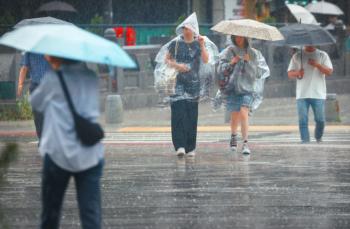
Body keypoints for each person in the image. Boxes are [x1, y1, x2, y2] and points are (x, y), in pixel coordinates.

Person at [30, 56, 104, 229]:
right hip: (90, 155)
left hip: (58, 154)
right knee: (90, 215)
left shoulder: (52, 79)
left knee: (51, 213)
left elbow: (36, 103)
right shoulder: (91, 77)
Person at [155, 13, 213, 157]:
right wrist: (177, 66)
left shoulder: (199, 43)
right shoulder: (175, 43)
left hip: (193, 85)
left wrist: (202, 45)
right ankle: (179, 146)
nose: (186, 31)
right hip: (177, 83)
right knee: (178, 115)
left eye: (189, 28)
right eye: (184, 28)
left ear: (194, 30)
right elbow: (166, 60)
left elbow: (206, 60)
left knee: (191, 116)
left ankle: (190, 147)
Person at [218, 35, 269, 154]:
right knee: (235, 114)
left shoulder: (254, 53)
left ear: (246, 38)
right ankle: (234, 136)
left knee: (243, 112)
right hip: (232, 88)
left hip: (248, 89)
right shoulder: (228, 52)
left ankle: (245, 143)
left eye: (241, 37)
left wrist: (249, 62)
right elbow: (221, 70)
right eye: (236, 37)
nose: (238, 39)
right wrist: (232, 62)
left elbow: (259, 73)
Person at [287, 46, 333, 143]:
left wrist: (317, 65)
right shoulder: (297, 56)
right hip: (302, 94)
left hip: (318, 93)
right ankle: (305, 140)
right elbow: (290, 73)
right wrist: (298, 73)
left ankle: (318, 136)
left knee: (320, 120)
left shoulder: (322, 55)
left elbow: (329, 71)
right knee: (303, 120)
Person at [17, 52, 51, 140]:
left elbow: (24, 67)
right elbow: (24, 67)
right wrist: (20, 84)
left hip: (42, 86)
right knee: (45, 115)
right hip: (47, 86)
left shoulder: (30, 49)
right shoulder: (50, 47)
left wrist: (20, 85)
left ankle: (44, 141)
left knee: (40, 116)